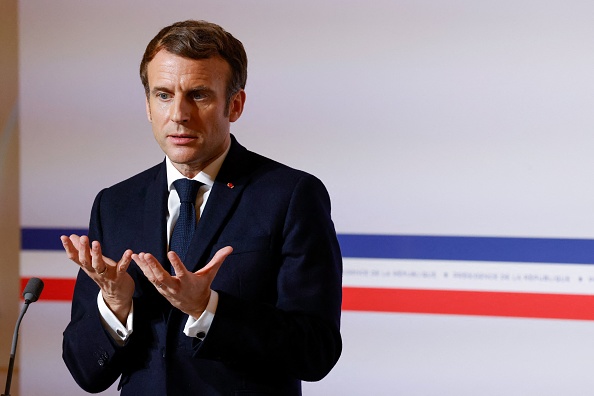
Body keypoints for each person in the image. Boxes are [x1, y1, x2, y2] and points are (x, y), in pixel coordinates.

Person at [60, 20, 342, 395]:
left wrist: (208, 308)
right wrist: (115, 304)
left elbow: (316, 351)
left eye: (198, 94)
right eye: (163, 95)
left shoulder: (290, 196)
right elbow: (86, 372)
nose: (179, 114)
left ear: (235, 104)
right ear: (147, 105)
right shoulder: (115, 203)